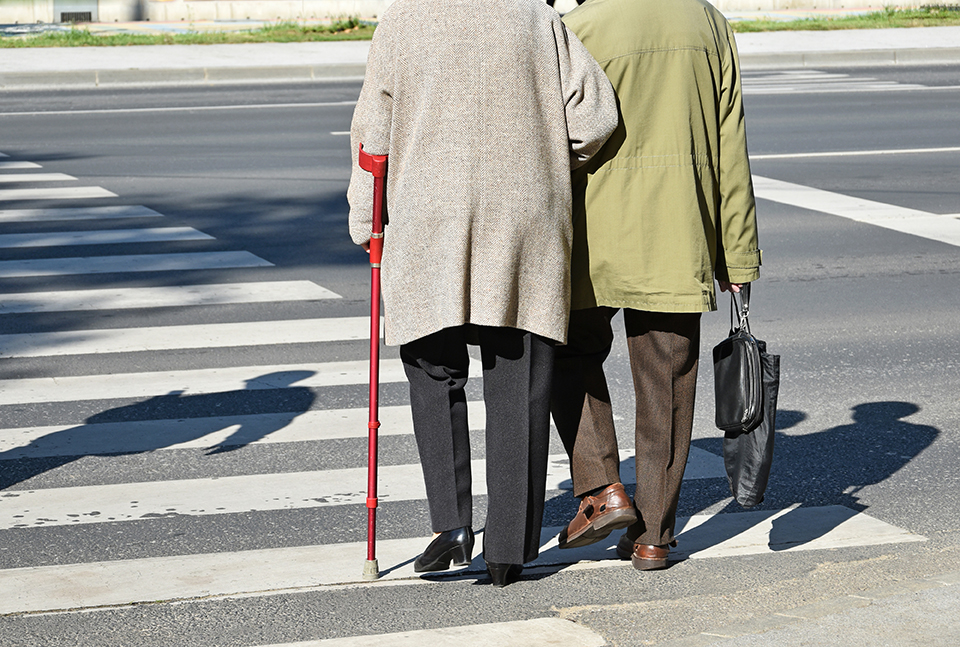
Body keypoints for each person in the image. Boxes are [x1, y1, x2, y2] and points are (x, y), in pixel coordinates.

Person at [347, 0, 617, 587]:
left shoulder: (402, 20)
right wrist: (546, 162)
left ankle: (452, 523)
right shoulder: (535, 18)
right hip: (523, 216)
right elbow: (596, 116)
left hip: (430, 216)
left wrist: (366, 220)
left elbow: (373, 138)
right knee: (518, 372)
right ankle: (508, 549)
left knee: (431, 363)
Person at [550, 0, 762, 570]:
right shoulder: (707, 23)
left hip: (591, 235)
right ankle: (654, 536)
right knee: (667, 381)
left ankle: (603, 490)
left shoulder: (577, 26)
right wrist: (737, 255)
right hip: (677, 231)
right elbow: (729, 150)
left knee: (567, 354)